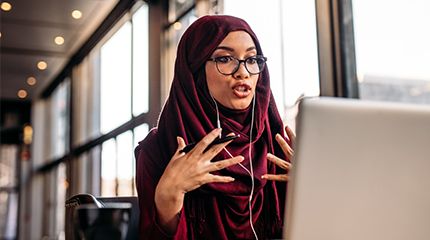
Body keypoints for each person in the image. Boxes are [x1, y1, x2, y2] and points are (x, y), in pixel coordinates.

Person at [135, 15, 294, 240]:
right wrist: (168, 196)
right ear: (194, 70)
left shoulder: (275, 144)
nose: (243, 72)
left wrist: (311, 189)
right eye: (225, 58)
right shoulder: (159, 148)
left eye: (251, 59)